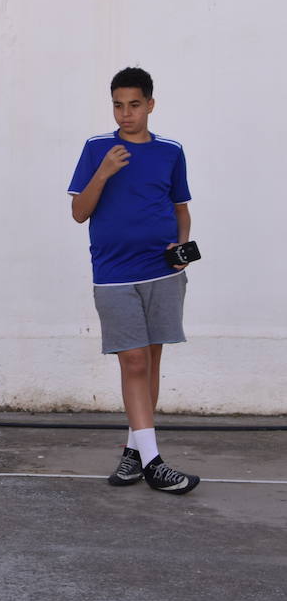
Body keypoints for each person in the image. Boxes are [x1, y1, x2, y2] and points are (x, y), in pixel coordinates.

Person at [68, 67, 198, 494]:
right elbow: (79, 212)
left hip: (162, 272)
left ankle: (134, 454)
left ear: (150, 105)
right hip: (114, 275)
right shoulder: (97, 149)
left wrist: (182, 251)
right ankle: (155, 463)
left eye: (135, 105)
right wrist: (103, 171)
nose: (126, 114)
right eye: (119, 105)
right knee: (134, 363)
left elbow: (180, 208)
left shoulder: (171, 151)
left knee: (152, 362)